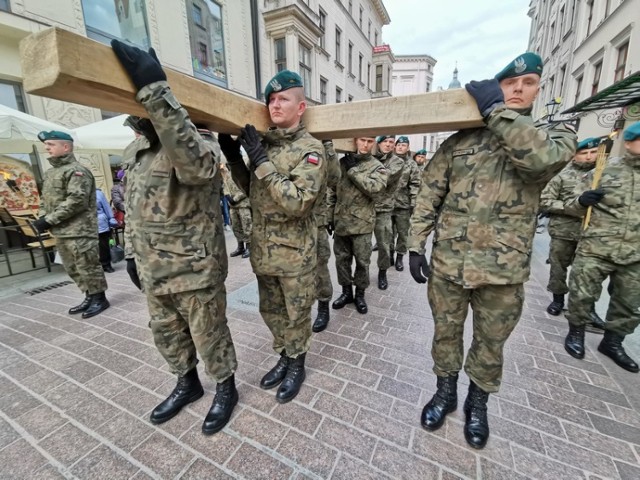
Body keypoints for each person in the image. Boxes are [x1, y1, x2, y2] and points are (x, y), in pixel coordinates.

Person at [407, 52, 576, 449]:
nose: (519, 88)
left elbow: (540, 163)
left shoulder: (554, 136)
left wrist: (497, 112)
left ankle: (477, 403)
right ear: (498, 87)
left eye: (528, 82)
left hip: (502, 271)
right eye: (509, 83)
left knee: (490, 342)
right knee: (445, 334)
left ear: (538, 89)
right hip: (450, 264)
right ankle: (445, 392)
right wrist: (415, 243)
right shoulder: (460, 142)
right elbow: (429, 193)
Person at [111, 40, 238, 435]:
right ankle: (187, 382)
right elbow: (133, 206)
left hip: (193, 268)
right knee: (165, 332)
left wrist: (153, 87)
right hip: (153, 268)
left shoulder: (197, 144)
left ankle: (225, 388)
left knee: (208, 333)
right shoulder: (137, 150)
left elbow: (199, 169)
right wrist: (131, 253)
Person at [219, 70, 327, 403]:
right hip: (265, 250)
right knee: (272, 311)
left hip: (295, 254)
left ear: (301, 106)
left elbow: (297, 202)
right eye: (271, 100)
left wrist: (262, 161)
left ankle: (297, 363)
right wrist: (236, 157)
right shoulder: (263, 142)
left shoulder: (311, 150)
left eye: (283, 99)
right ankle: (284, 354)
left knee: (296, 313)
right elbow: (252, 190)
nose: (275, 105)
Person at [563, 121, 640, 373]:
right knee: (582, 294)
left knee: (628, 303)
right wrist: (581, 201)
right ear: (629, 143)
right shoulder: (603, 170)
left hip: (635, 253)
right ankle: (576, 333)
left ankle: (613, 342)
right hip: (596, 247)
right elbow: (571, 203)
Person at [34, 130, 111, 319]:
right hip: (61, 231)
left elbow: (77, 200)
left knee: (88, 266)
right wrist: (43, 216)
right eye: (47, 145)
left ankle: (99, 298)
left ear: (66, 146)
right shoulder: (51, 172)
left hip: (80, 230)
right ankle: (89, 295)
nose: (46, 148)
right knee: (72, 267)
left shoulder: (77, 171)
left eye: (51, 144)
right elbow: (45, 199)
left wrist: (49, 220)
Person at [540, 137, 605, 332]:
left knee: (590, 274)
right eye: (584, 153)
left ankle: (588, 308)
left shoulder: (604, 175)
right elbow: (545, 201)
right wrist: (577, 204)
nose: (589, 157)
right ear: (575, 155)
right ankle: (558, 299)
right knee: (558, 268)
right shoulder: (561, 176)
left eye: (593, 153)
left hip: (594, 233)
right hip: (564, 231)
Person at [331, 137, 387, 314]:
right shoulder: (342, 163)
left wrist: (353, 171)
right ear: (355, 141)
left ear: (374, 144)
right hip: (341, 222)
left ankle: (360, 294)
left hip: (362, 224)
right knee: (342, 260)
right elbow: (332, 191)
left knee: (362, 261)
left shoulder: (377, 167)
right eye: (362, 140)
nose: (365, 145)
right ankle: (346, 292)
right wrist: (329, 217)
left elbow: (374, 189)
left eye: (370, 141)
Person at [312, 139, 341, 333]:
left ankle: (323, 306)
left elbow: (334, 178)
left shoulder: (320, 147)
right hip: (288, 224)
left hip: (316, 221)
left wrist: (328, 145)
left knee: (320, 266)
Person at [373, 135, 404, 290]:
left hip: (384, 209)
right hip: (366, 207)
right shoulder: (370, 157)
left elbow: (384, 177)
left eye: (391, 142)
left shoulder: (397, 162)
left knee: (384, 245)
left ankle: (382, 273)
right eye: (385, 141)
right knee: (362, 247)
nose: (388, 144)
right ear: (378, 143)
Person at [391, 136, 421, 271]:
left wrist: (413, 203)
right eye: (398, 145)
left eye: (404, 145)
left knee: (402, 235)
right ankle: (389, 256)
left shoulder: (411, 164)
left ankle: (399, 258)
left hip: (403, 206)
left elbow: (415, 185)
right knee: (388, 234)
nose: (400, 147)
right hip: (387, 205)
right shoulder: (388, 161)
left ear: (408, 148)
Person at [221, 161, 252, 259]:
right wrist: (227, 195)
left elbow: (247, 187)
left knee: (246, 225)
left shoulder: (241, 174)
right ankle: (240, 246)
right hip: (233, 206)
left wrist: (236, 198)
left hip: (243, 204)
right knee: (236, 226)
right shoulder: (228, 175)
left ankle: (249, 247)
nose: (229, 166)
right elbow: (225, 186)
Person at [96, 188, 119, 273]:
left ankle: (106, 264)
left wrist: (111, 219)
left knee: (104, 246)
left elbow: (106, 207)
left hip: (100, 223)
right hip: (85, 225)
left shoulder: (98, 193)